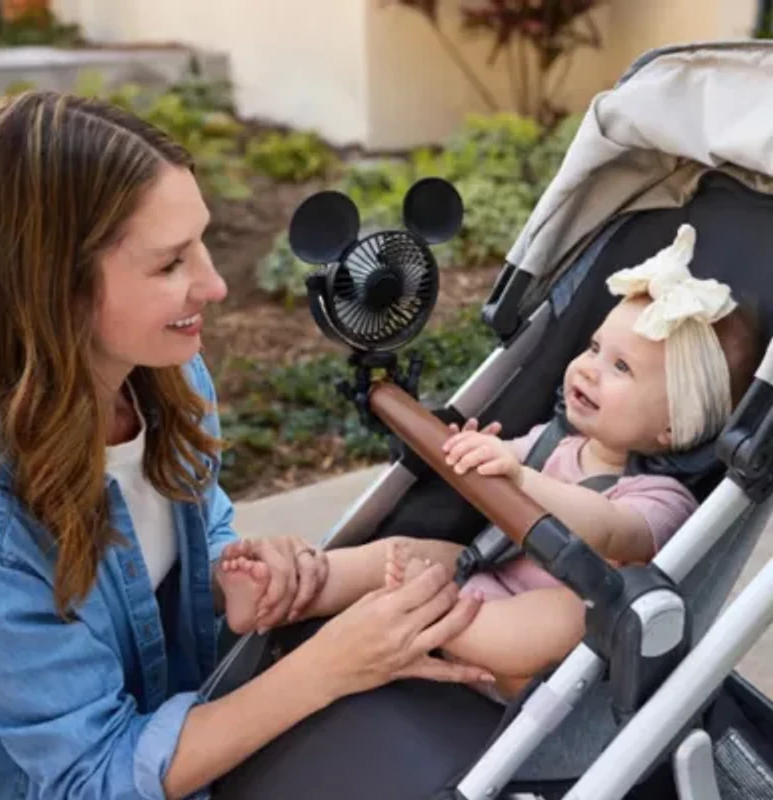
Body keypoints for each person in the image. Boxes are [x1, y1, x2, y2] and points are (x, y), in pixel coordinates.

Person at [0, 91, 495, 800]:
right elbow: (87, 777)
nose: (215, 285)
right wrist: (329, 667)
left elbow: (194, 525)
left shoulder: (164, 372)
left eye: (201, 241)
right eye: (168, 265)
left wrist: (231, 570)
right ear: (49, 288)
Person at [218, 223, 763, 699]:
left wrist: (520, 477)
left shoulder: (663, 499)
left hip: (531, 659)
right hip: (482, 578)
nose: (590, 369)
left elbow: (611, 531)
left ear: (676, 424)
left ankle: (424, 619)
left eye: (621, 367)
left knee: (573, 614)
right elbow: (496, 466)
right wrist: (477, 452)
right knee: (401, 550)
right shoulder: (554, 443)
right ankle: (288, 589)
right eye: (594, 348)